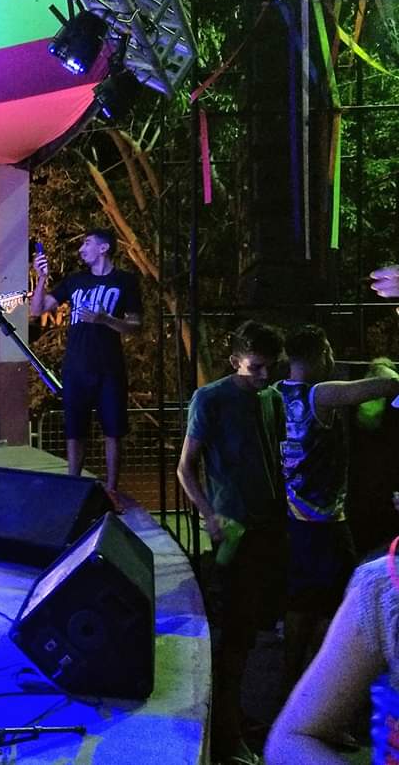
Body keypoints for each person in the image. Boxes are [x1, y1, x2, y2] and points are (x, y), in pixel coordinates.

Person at [175, 320, 286, 765]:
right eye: (256, 368)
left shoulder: (270, 398)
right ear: (236, 359)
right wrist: (210, 514)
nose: (263, 377)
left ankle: (240, 721)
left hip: (269, 528)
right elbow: (185, 468)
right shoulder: (211, 398)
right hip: (235, 533)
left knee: (255, 633)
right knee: (234, 638)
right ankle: (226, 735)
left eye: (269, 368)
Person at [276, 325, 399, 697]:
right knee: (341, 607)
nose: (332, 359)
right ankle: (327, 693)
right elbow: (389, 386)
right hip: (325, 520)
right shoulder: (320, 394)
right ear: (316, 356)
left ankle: (291, 687)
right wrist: (383, 367)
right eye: (328, 351)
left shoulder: (277, 393)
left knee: (301, 603)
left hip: (295, 516)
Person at [29, 228, 141, 496]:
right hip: (76, 366)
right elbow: (37, 310)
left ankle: (112, 491)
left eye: (87, 243)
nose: (81, 249)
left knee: (113, 430)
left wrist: (106, 320)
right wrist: (41, 277)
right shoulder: (75, 280)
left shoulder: (125, 281)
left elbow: (136, 326)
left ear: (104, 248)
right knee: (74, 430)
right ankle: (72, 488)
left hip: (110, 367)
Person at [265, 547, 398, 764]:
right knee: (307, 599)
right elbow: (290, 739)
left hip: (327, 526)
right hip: (312, 526)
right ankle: (292, 682)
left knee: (318, 601)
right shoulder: (384, 586)